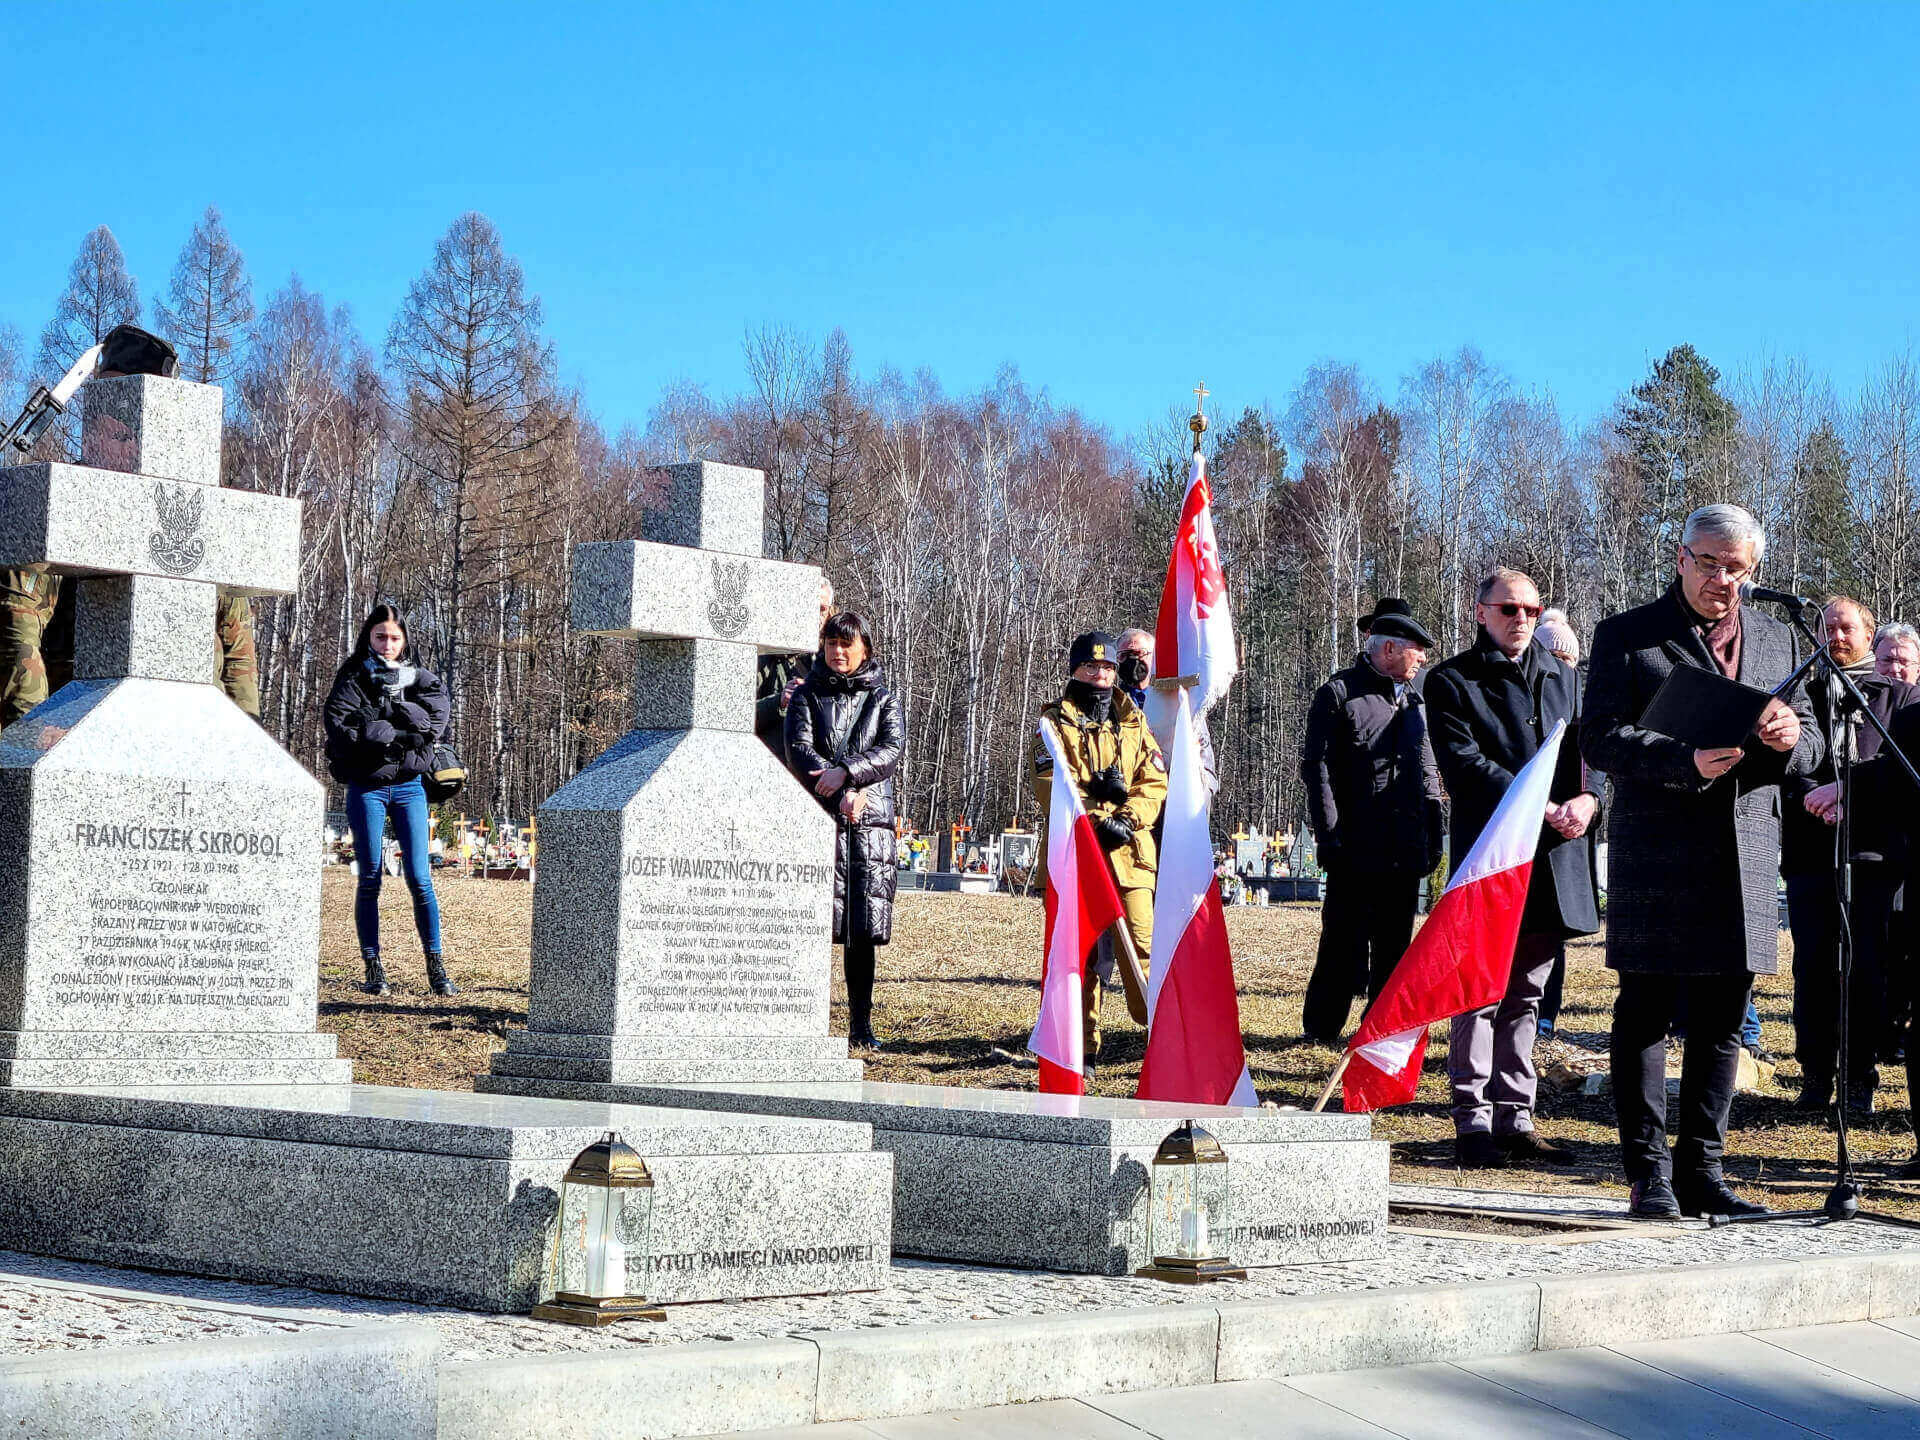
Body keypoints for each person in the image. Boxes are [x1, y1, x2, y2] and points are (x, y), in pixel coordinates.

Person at [1583, 503, 1818, 1220]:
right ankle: (1647, 1172)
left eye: (1736, 568)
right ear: (1679, 557)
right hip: (1656, 849)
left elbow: (1812, 750)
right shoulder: (1627, 635)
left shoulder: (1781, 641)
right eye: (1708, 562)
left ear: (1754, 571)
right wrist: (1682, 760)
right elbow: (1598, 740)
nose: (1721, 579)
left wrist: (1789, 739)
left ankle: (1703, 1171)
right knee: (1647, 1012)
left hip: (1744, 850)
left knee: (1723, 1018)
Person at [1426, 569, 1601, 1168]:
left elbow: (1594, 753)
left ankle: (1516, 1116)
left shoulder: (1567, 679)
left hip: (1552, 858)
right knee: (1477, 992)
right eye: (1508, 608)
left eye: (1530, 608)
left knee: (1527, 991)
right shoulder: (1451, 681)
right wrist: (1536, 802)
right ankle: (1473, 1119)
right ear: (1480, 612)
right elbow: (1464, 763)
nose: (1521, 618)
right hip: (1493, 856)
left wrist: (1590, 799)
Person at [1781, 597, 1917, 1114]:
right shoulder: (1801, 693)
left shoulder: (1901, 697)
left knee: (1866, 968)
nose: (1836, 637)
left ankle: (1859, 1078)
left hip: (1874, 855)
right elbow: (1786, 764)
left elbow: (1901, 770)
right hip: (1811, 850)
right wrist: (1813, 798)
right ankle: (1815, 1075)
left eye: (1847, 629)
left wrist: (1848, 794)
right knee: (1812, 965)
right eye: (1827, 628)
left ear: (1869, 634)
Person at [1299, 608, 1446, 1044]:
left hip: (1402, 846)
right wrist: (1329, 836)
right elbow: (1317, 770)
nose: (1421, 660)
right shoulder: (1339, 695)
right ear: (1389, 648)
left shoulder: (1414, 702)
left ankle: (1378, 1030)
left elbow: (1426, 769)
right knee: (1343, 939)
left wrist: (1434, 827)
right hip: (1354, 843)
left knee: (1394, 942)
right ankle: (1322, 1028)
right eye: (1417, 651)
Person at [1027, 631, 1168, 1073]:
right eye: (1092, 667)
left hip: (1130, 853)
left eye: (1107, 668)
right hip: (1079, 852)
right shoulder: (1053, 721)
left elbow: (1154, 779)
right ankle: (1081, 1047)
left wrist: (1126, 817)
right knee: (1081, 956)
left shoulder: (1134, 721)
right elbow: (1050, 783)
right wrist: (1092, 817)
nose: (1101, 676)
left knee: (1142, 950)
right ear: (1075, 670)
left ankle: (1157, 1038)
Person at [785, 610, 905, 1051]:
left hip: (868, 822)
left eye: (847, 645)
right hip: (819, 815)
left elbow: (890, 750)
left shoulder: (883, 699)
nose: (839, 652)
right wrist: (836, 790)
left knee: (860, 928)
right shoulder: (806, 695)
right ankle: (802, 1018)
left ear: (865, 649)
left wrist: (849, 774)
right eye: (832, 644)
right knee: (809, 923)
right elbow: (799, 750)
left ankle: (860, 1024)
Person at [322, 603, 453, 999]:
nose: (388, 644)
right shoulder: (353, 675)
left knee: (420, 877)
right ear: (368, 636)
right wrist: (368, 734)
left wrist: (405, 719)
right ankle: (373, 967)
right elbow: (337, 721)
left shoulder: (419, 677)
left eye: (395, 638)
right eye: (381, 636)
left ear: (405, 640)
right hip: (368, 787)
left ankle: (436, 966)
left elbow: (436, 717)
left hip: (411, 784)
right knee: (371, 877)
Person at [2, 567, 258, 726]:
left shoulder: (204, 540)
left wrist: (248, 737)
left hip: (190, 714)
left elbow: (239, 657)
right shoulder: (61, 518)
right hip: (76, 707)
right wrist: (30, 731)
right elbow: (19, 635)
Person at [1530, 608, 1583, 1039]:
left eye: (1570, 662)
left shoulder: (1580, 696)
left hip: (1564, 826)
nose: (1563, 670)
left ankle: (1547, 1015)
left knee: (1553, 937)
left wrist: (1585, 803)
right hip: (1526, 823)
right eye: (1555, 659)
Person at [755, 577, 835, 762]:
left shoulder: (837, 657)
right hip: (775, 767)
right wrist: (779, 702)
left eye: (822, 609)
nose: (816, 616)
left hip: (822, 773)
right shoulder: (764, 654)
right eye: (809, 607)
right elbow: (730, 719)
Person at [1116, 628, 1154, 709]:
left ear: (1153, 656)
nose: (1131, 659)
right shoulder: (1110, 701)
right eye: (1124, 655)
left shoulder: (1169, 699)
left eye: (1138, 653)